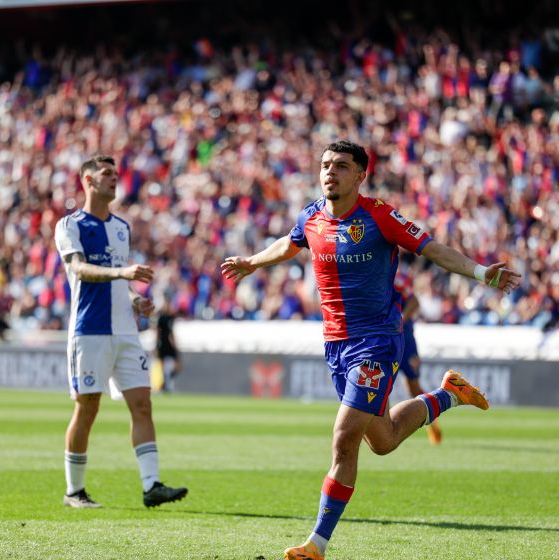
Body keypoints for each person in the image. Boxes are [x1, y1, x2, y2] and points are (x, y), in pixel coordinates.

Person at [221, 140, 521, 560]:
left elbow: (431, 249)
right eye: (326, 165)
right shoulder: (311, 216)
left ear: (360, 175)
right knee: (383, 440)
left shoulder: (379, 215)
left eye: (341, 166)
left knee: (344, 438)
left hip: (376, 342)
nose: (330, 172)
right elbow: (289, 244)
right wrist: (253, 261)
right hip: (336, 345)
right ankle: (449, 394)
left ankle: (317, 545)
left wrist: (479, 271)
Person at [54, 155, 188, 509]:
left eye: (116, 173)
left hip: (125, 332)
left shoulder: (121, 227)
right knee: (88, 409)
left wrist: (134, 300)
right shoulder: (70, 224)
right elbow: (80, 270)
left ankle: (151, 486)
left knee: (142, 405)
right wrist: (124, 275)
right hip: (90, 330)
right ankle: (74, 492)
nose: (115, 179)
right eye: (106, 174)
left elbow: (115, 278)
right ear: (87, 180)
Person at [394, 268, 442, 445]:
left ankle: (432, 422)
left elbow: (414, 301)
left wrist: (401, 319)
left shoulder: (396, 278)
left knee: (413, 387)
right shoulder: (370, 275)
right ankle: (379, 429)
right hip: (383, 340)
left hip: (405, 340)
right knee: (380, 386)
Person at [155, 298, 180, 392]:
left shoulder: (171, 318)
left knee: (175, 366)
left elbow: (172, 333)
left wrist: (175, 345)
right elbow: (157, 333)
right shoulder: (160, 318)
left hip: (170, 345)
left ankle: (167, 384)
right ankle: (166, 385)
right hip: (163, 344)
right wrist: (156, 346)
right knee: (163, 366)